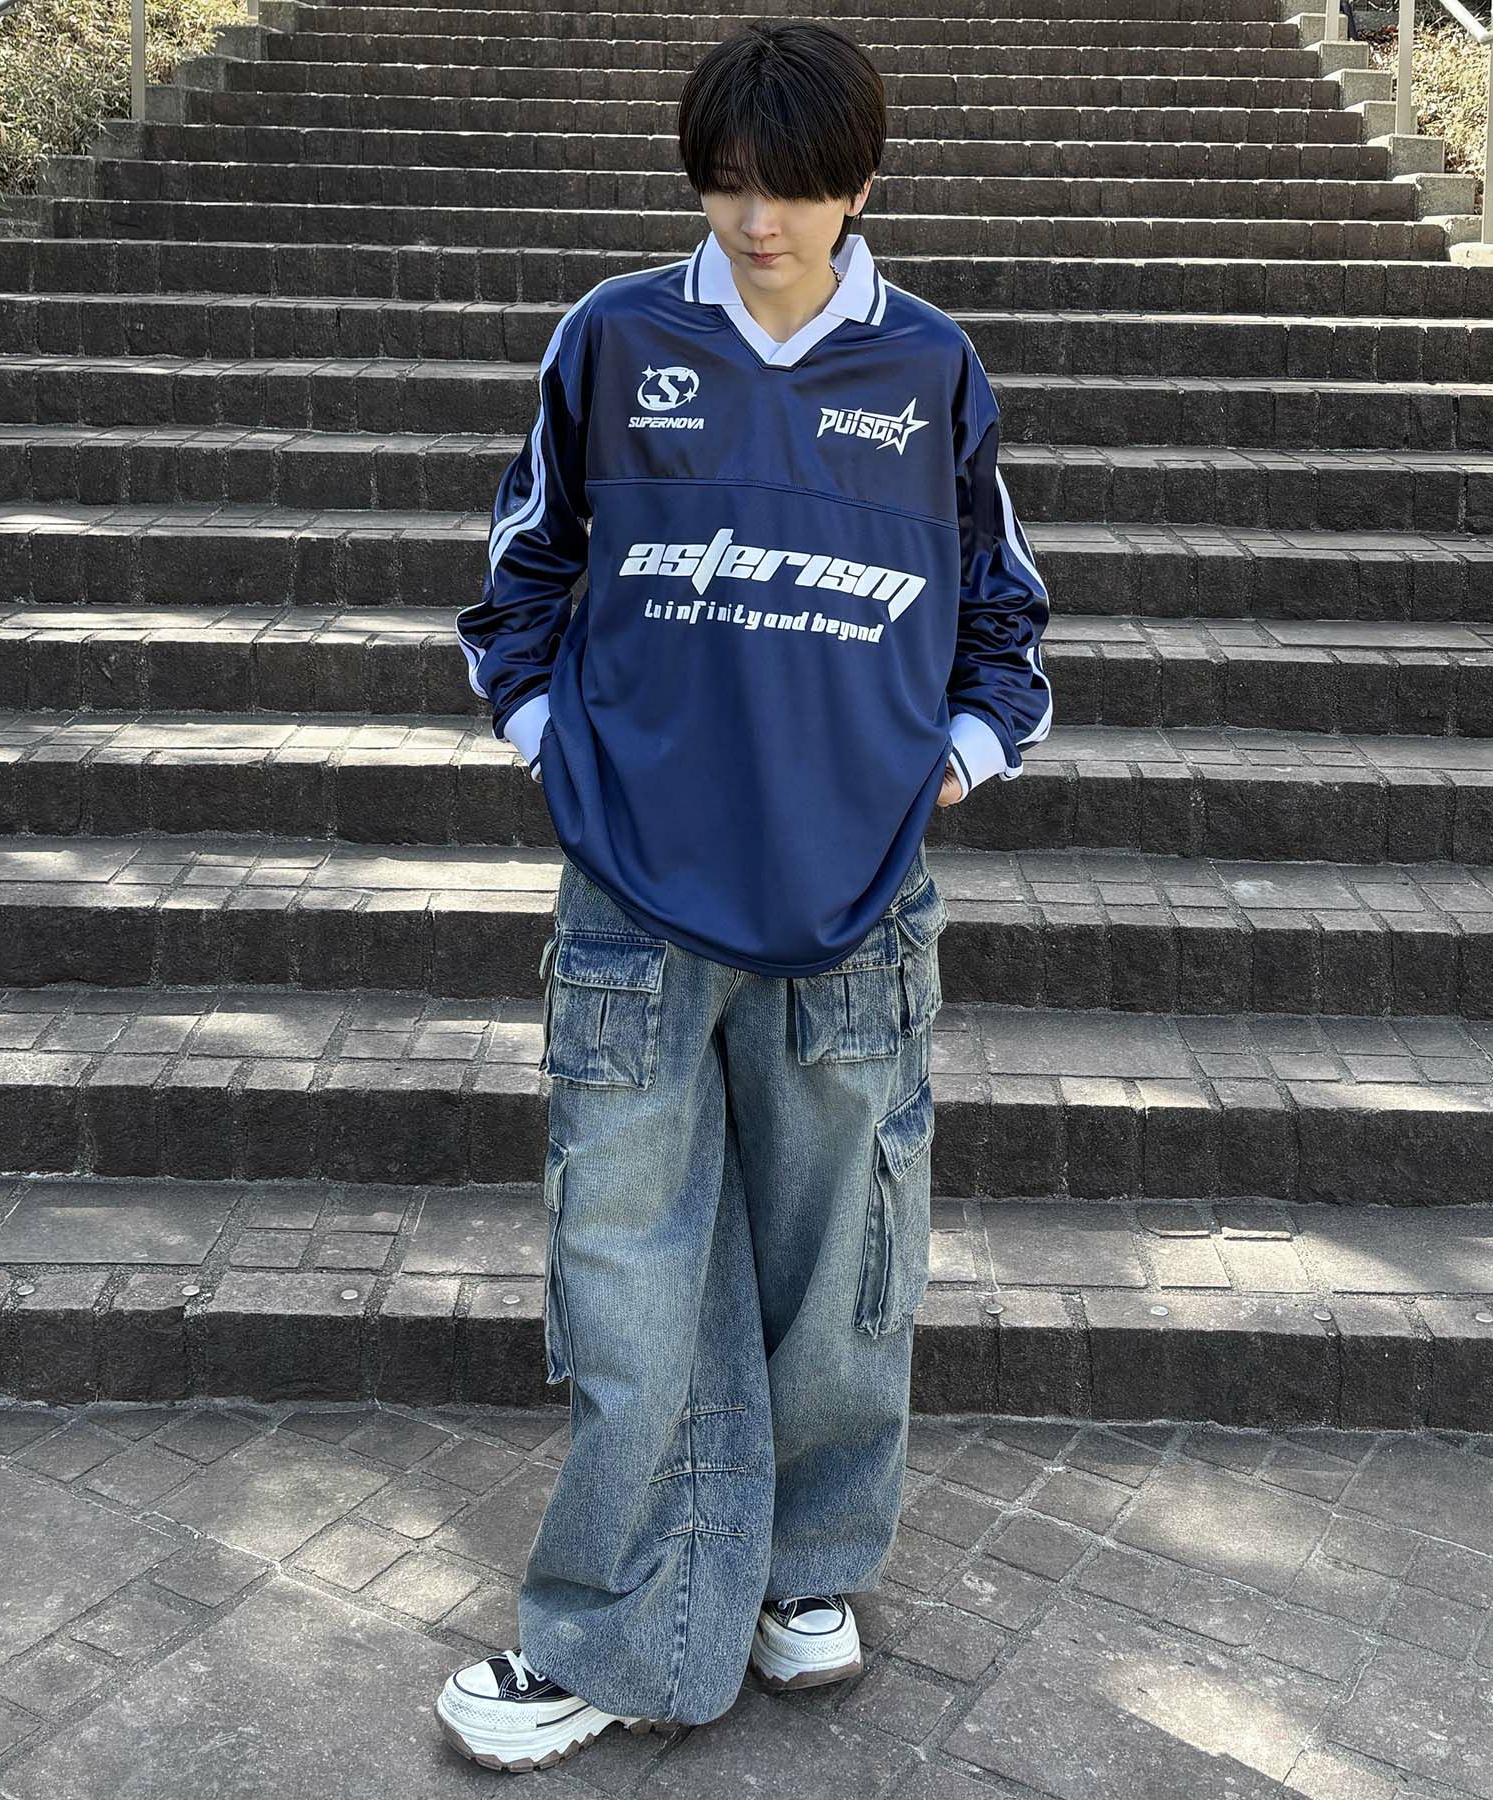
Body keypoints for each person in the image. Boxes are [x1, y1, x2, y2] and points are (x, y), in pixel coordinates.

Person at [436, 17, 1053, 1774]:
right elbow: (518, 585)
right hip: (635, 901)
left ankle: (805, 1569)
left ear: (860, 184)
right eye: (725, 186)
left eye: (790, 188)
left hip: (854, 907)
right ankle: (612, 1631)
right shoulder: (616, 339)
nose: (756, 223)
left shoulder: (930, 368)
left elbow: (1006, 622)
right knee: (628, 1274)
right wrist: (560, 752)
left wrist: (942, 769)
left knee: (841, 1257)